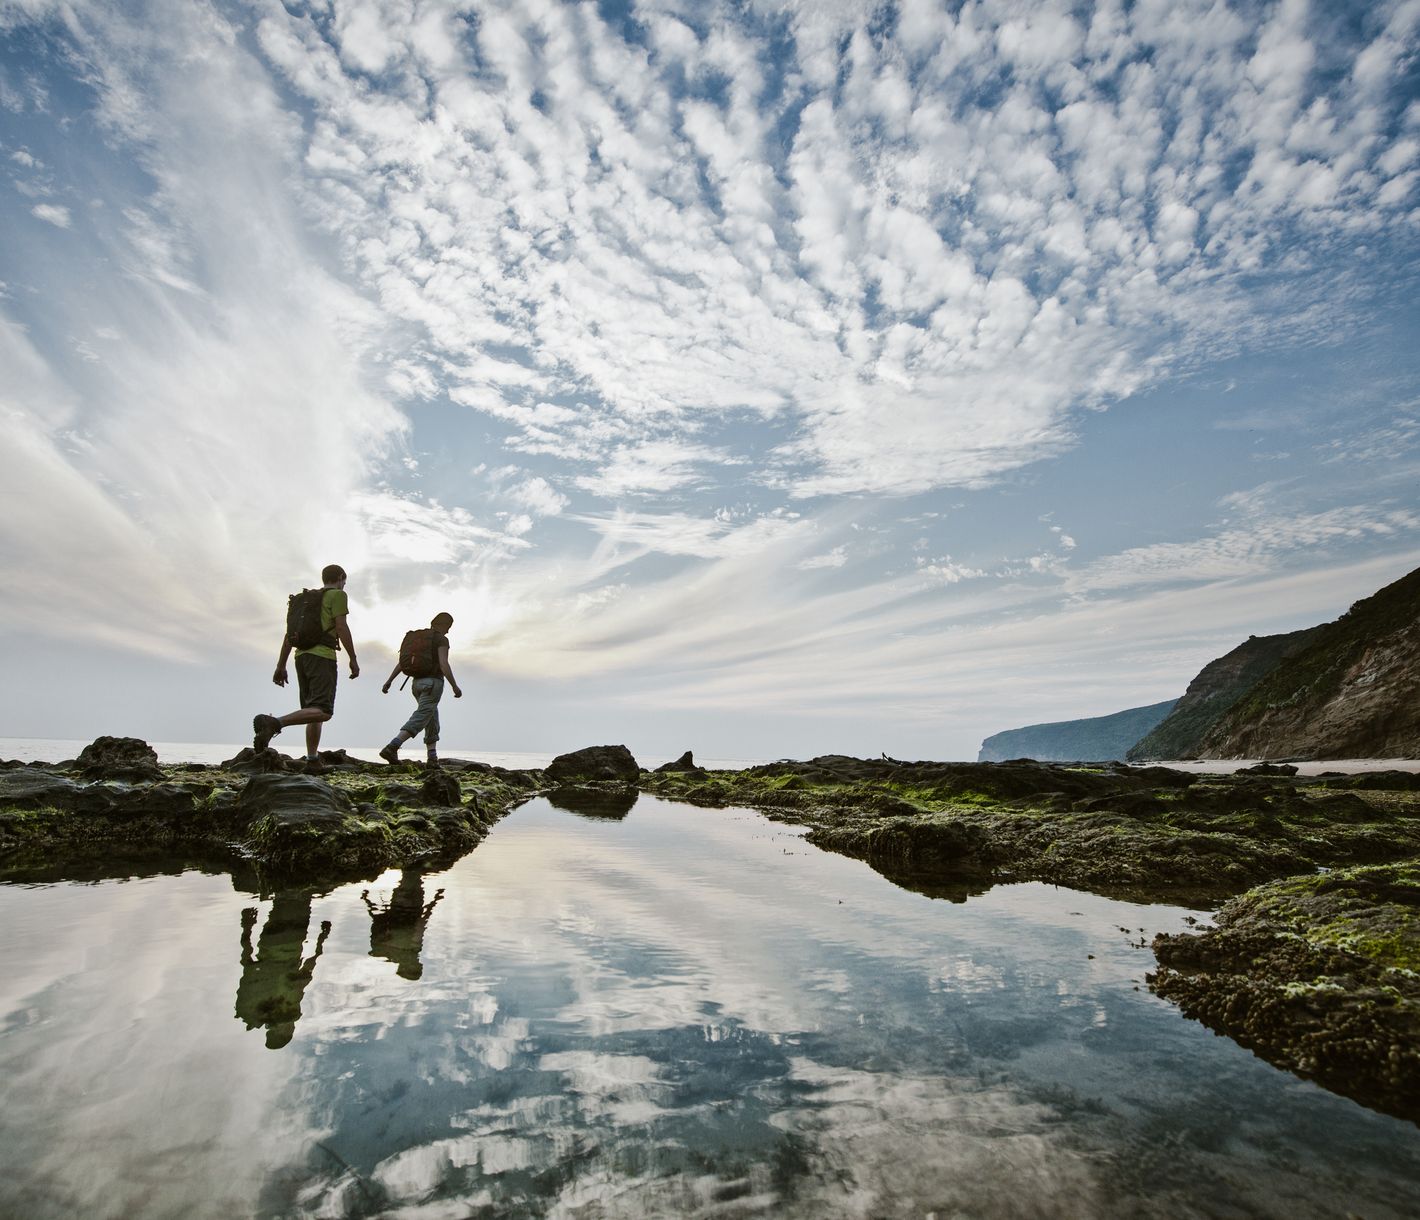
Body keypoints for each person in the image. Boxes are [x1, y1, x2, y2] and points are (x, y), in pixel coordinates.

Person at [252, 564, 359, 770]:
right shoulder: (337, 595)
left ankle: (312, 759)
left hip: (300, 657)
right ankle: (275, 723)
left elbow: (288, 635)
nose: (344, 584)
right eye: (344, 581)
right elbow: (341, 626)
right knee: (324, 711)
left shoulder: (305, 602)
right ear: (340, 577)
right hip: (322, 656)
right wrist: (353, 658)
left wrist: (281, 665)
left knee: (312, 710)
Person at [378, 611, 462, 768]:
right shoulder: (440, 639)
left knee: (431, 716)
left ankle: (432, 758)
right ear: (442, 624)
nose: (449, 630)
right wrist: (454, 686)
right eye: (448, 627)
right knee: (422, 716)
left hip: (416, 684)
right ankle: (393, 746)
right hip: (433, 683)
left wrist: (389, 681)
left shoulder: (419, 640)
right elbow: (444, 664)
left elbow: (401, 664)